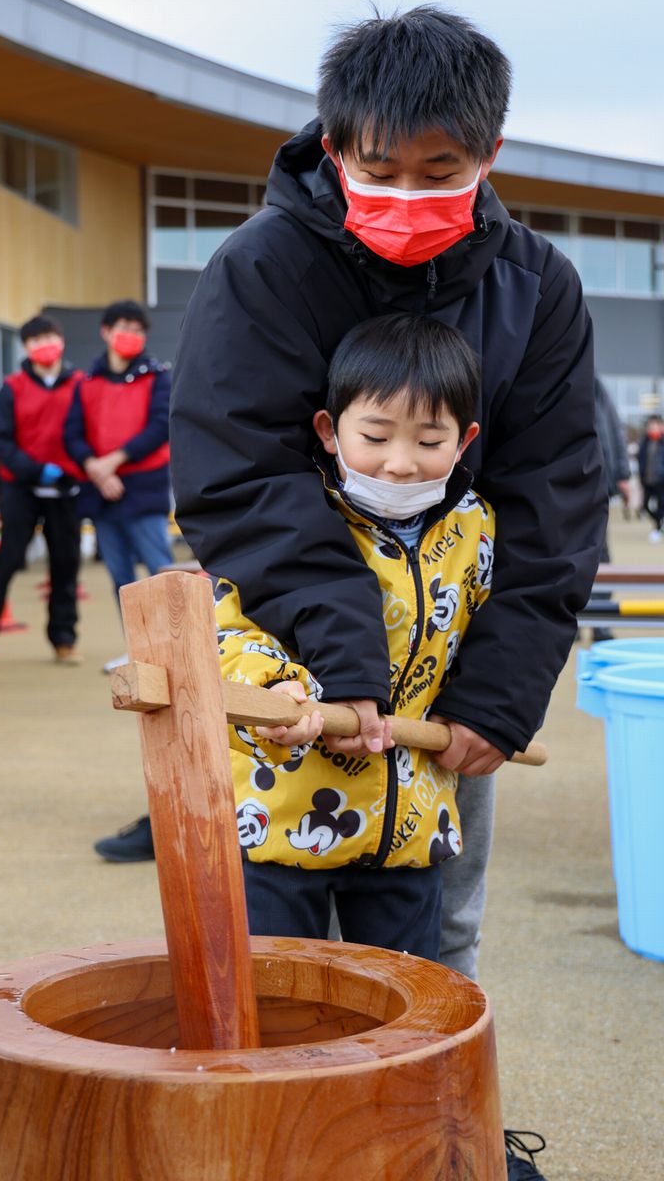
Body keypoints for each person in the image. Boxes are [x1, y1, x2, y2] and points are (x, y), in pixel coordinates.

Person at [169, 9, 606, 1179]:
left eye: (440, 172)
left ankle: (429, 1139)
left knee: (434, 931)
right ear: (333, 140)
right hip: (290, 681)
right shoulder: (260, 267)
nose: (406, 191)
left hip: (443, 691)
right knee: (268, 943)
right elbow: (233, 472)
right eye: (378, 168)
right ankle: (273, 1143)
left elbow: (556, 499)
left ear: (489, 157)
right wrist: (342, 662)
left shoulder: (535, 287)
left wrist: (498, 694)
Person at [220, 312, 492, 958]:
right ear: (329, 430)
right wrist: (279, 690)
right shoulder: (290, 516)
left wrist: (490, 709)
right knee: (279, 1001)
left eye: (430, 442)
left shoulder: (476, 529)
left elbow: (488, 644)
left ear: (464, 442)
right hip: (283, 819)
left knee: (405, 1005)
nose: (399, 464)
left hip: (409, 830)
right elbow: (229, 626)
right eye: (374, 435)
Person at [0, 314, 85, 663]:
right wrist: (36, 470)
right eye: (36, 341)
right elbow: (2, 442)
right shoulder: (13, 387)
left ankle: (63, 639)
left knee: (66, 564)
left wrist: (70, 471)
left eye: (49, 337)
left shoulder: (80, 384)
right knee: (9, 558)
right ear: (26, 347)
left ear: (61, 340)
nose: (44, 345)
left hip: (65, 488)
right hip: (21, 486)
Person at [63, 299, 172, 604]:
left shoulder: (158, 377)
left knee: (161, 575)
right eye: (125, 328)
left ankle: (173, 652)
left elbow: (160, 426)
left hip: (145, 488)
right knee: (121, 581)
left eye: (138, 330)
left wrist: (112, 461)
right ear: (106, 331)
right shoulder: (86, 383)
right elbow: (72, 434)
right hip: (101, 494)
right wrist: (96, 471)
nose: (131, 335)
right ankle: (134, 648)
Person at [589, 378, 631, 642]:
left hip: (597, 483)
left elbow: (613, 429)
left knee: (599, 554)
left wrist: (622, 473)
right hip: (566, 484)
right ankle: (579, 621)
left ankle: (598, 619)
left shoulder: (594, 383)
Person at [636, 414, 664, 541]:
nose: (652, 428)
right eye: (650, 426)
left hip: (661, 480)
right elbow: (641, 460)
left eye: (655, 426)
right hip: (647, 480)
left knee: (660, 505)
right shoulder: (644, 442)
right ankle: (660, 522)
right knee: (646, 506)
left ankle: (658, 529)